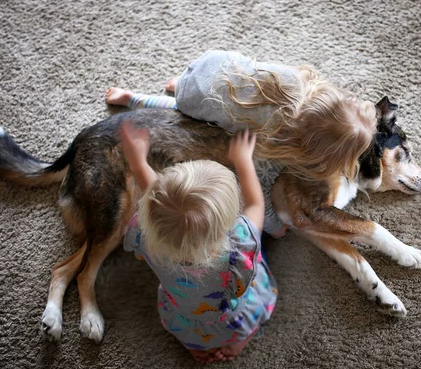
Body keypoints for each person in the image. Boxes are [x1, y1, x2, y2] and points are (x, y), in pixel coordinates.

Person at [107, 50, 378, 237]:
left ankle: (178, 84)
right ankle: (134, 98)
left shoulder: (296, 80)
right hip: (196, 100)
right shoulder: (271, 139)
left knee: (205, 91)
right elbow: (259, 189)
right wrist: (273, 226)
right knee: (182, 113)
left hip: (212, 66)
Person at [120, 122, 277, 364]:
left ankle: (196, 346)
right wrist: (243, 161)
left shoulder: (146, 237)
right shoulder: (237, 251)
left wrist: (138, 163)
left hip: (183, 321)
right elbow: (256, 204)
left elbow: (156, 197)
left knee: (195, 331)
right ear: (225, 228)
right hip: (231, 323)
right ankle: (238, 344)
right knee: (258, 278)